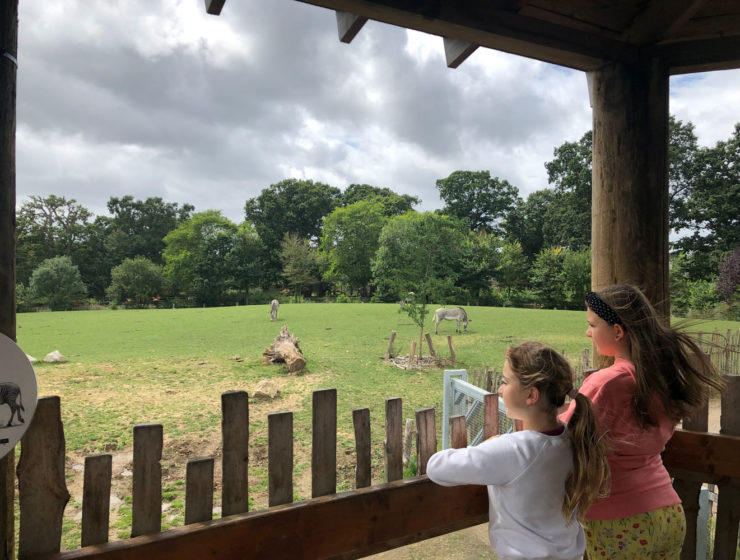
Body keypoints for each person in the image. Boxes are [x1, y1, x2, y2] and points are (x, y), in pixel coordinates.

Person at [559, 284, 724, 558]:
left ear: (618, 331)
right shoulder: (659, 378)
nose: (588, 333)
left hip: (619, 521)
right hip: (668, 512)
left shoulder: (607, 382)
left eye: (592, 325)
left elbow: (562, 435)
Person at [427, 341, 610, 560]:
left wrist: (484, 447)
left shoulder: (512, 450)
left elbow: (436, 467)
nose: (499, 389)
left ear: (531, 395)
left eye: (505, 382)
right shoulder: (574, 440)